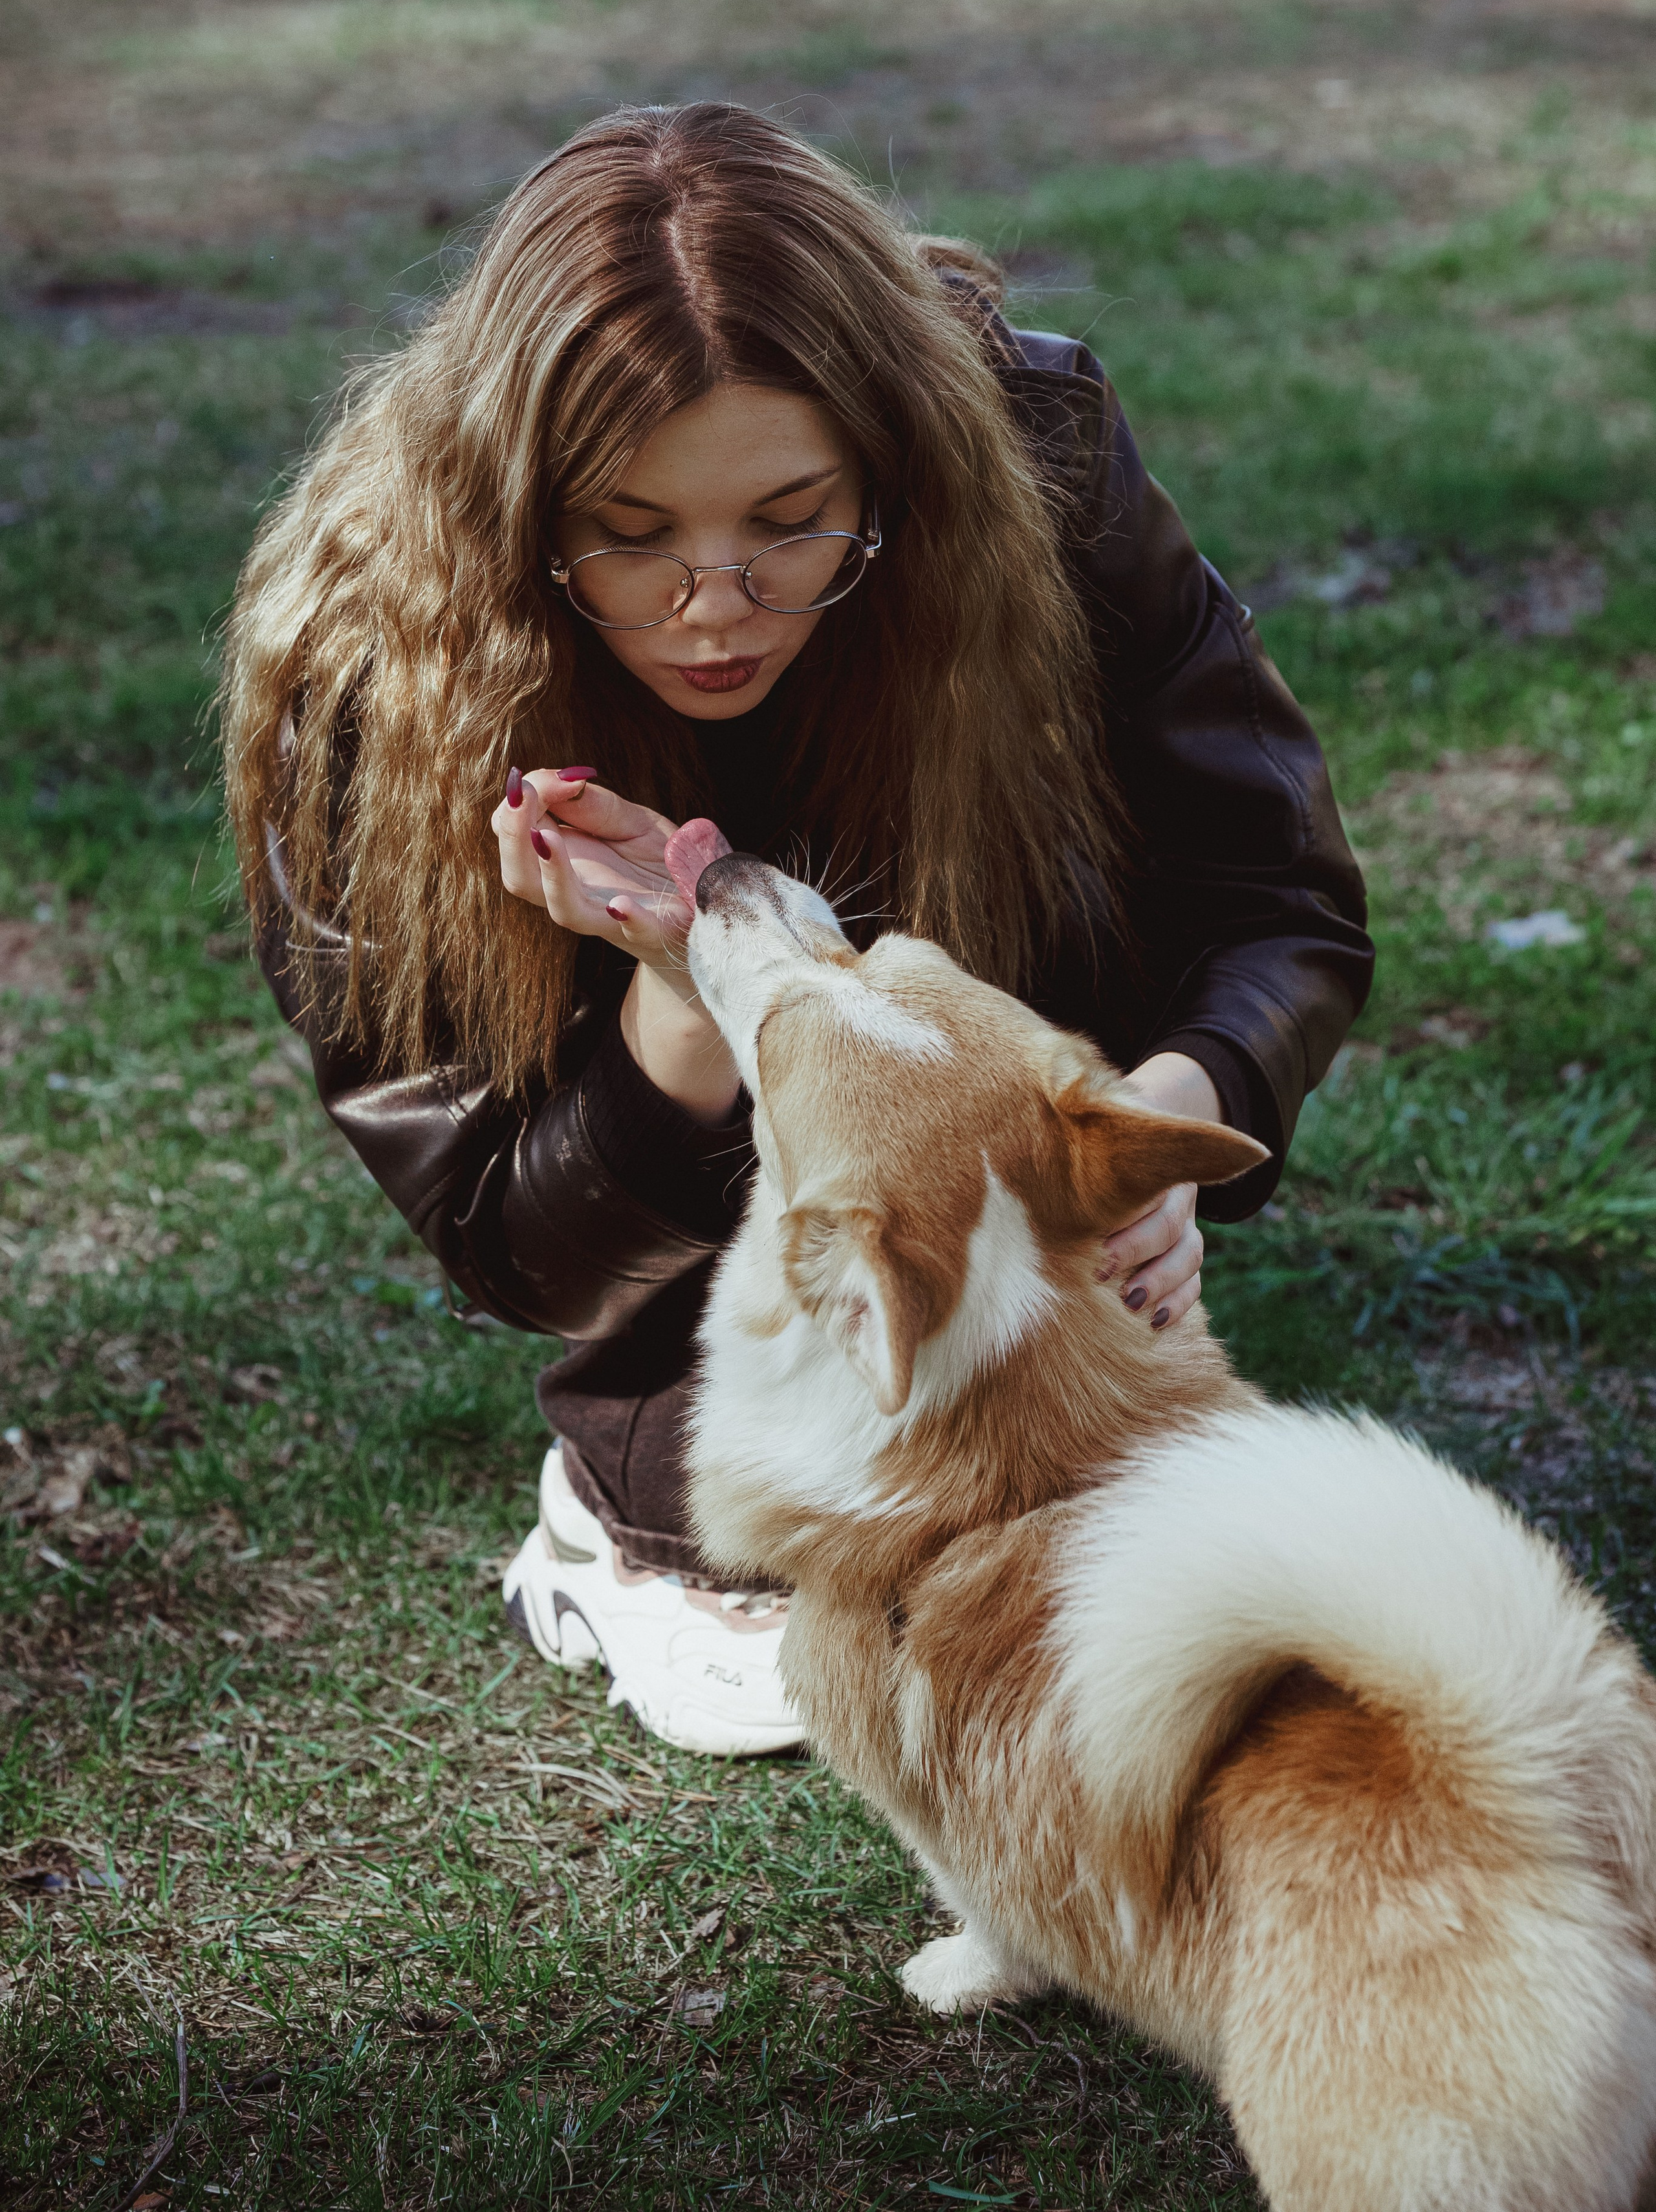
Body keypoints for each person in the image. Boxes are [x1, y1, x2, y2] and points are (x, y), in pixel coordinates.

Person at [223, 103, 1372, 1757]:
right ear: (517, 507)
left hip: (1007, 1193)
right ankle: (623, 1517)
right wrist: (685, 991)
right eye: (628, 535)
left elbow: (1277, 896)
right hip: (675, 1262)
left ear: (890, 459)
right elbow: (510, 1243)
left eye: (788, 519)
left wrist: (1159, 1120)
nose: (713, 605)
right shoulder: (373, 649)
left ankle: (1022, 1363)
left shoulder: (1029, 450)